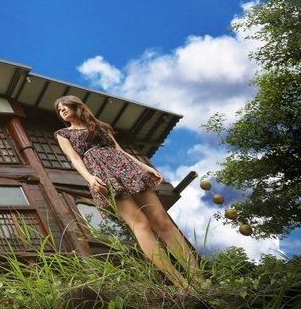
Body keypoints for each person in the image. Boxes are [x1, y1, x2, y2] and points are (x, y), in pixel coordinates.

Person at [54, 95, 200, 285]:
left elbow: (120, 150)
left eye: (64, 106)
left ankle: (199, 278)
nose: (61, 110)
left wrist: (145, 167)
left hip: (127, 168)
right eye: (58, 110)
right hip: (103, 174)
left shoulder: (101, 127)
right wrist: (89, 178)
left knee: (162, 221)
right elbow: (74, 159)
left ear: (76, 105)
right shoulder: (63, 134)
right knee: (140, 225)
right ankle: (180, 282)